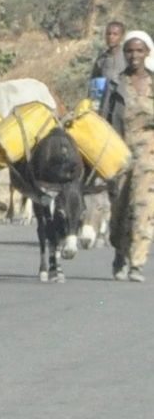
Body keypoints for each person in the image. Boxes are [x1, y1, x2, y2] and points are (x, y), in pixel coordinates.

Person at [104, 30, 154, 282]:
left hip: (149, 153)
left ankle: (137, 263)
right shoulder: (116, 84)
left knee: (143, 207)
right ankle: (120, 253)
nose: (134, 55)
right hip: (119, 151)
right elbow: (104, 120)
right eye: (130, 51)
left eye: (139, 50)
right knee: (120, 208)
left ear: (147, 53)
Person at [90, 20, 127, 105]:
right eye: (108, 34)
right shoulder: (101, 60)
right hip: (105, 106)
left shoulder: (127, 58)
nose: (111, 37)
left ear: (121, 36)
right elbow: (95, 89)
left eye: (115, 34)